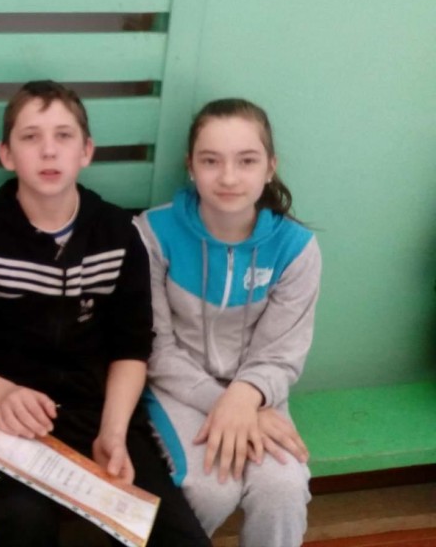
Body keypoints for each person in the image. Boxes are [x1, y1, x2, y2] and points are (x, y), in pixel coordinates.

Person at [0, 80, 210, 547]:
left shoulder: (120, 234)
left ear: (86, 151)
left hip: (100, 411)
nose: (48, 150)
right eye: (30, 137)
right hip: (7, 415)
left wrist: (114, 432)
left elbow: (131, 349)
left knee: (176, 537)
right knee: (25, 523)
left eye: (63, 136)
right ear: (6, 155)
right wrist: (3, 392)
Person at [135, 98, 322, 546]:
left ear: (270, 167)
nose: (229, 177)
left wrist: (244, 397)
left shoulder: (296, 248)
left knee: (283, 486)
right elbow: (154, 348)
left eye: (247, 160)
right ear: (191, 166)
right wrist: (224, 403)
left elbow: (281, 355)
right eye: (211, 161)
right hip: (177, 388)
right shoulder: (152, 233)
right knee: (209, 488)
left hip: (258, 395)